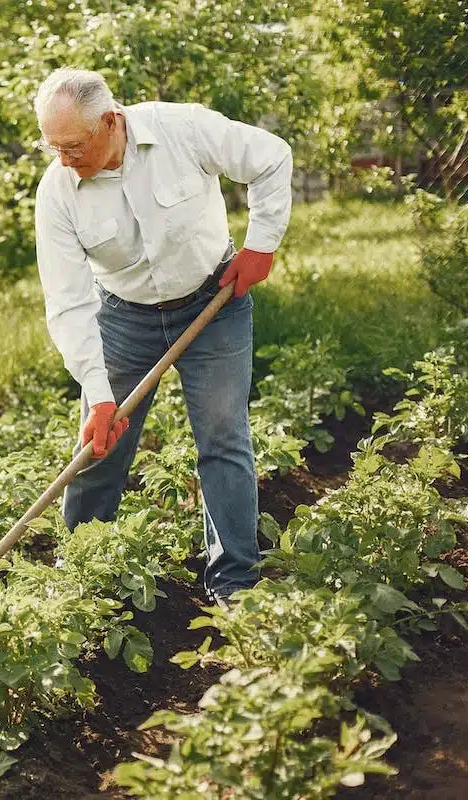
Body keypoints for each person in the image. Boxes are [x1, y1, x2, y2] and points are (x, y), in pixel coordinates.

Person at [32, 68, 293, 602]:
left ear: (111, 121)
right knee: (98, 445)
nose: (63, 159)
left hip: (213, 301)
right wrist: (101, 397)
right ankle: (80, 574)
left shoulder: (181, 130)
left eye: (73, 145)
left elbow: (271, 157)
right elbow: (68, 301)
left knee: (223, 439)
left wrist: (261, 244)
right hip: (124, 317)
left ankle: (235, 582)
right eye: (52, 146)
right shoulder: (58, 191)